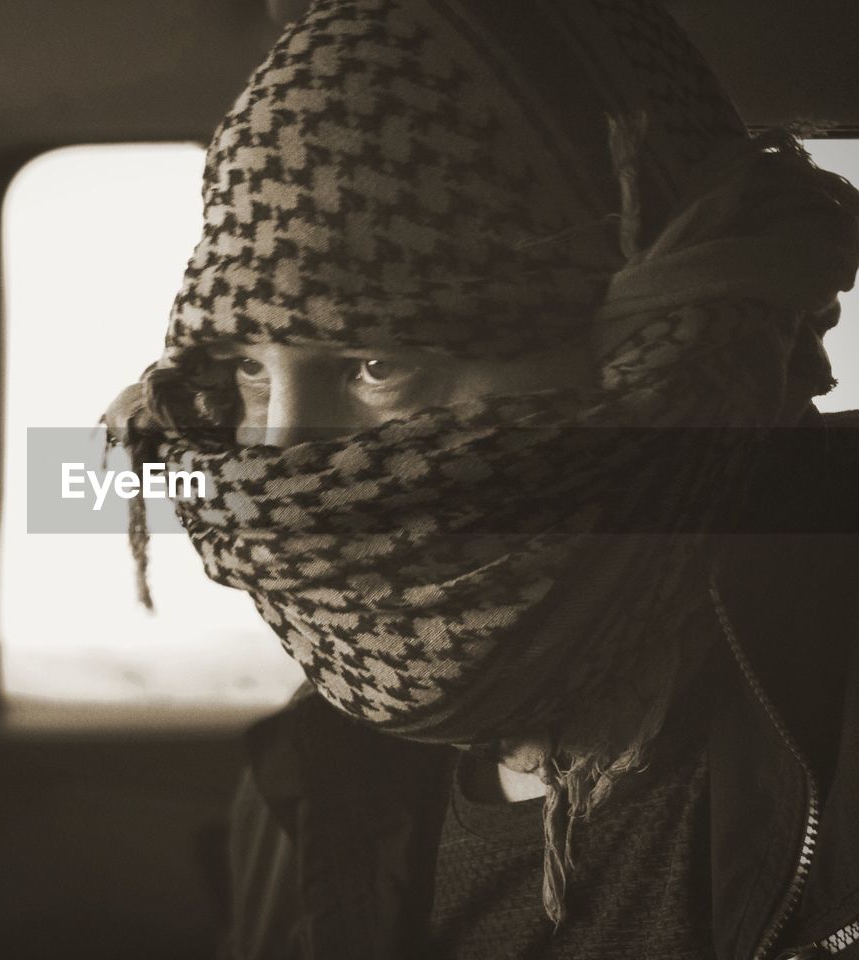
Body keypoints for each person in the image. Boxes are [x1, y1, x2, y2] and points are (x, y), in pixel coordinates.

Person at [105, 0, 859, 956]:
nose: (281, 460)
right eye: (249, 371)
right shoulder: (317, 773)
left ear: (654, 349)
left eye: (379, 365)